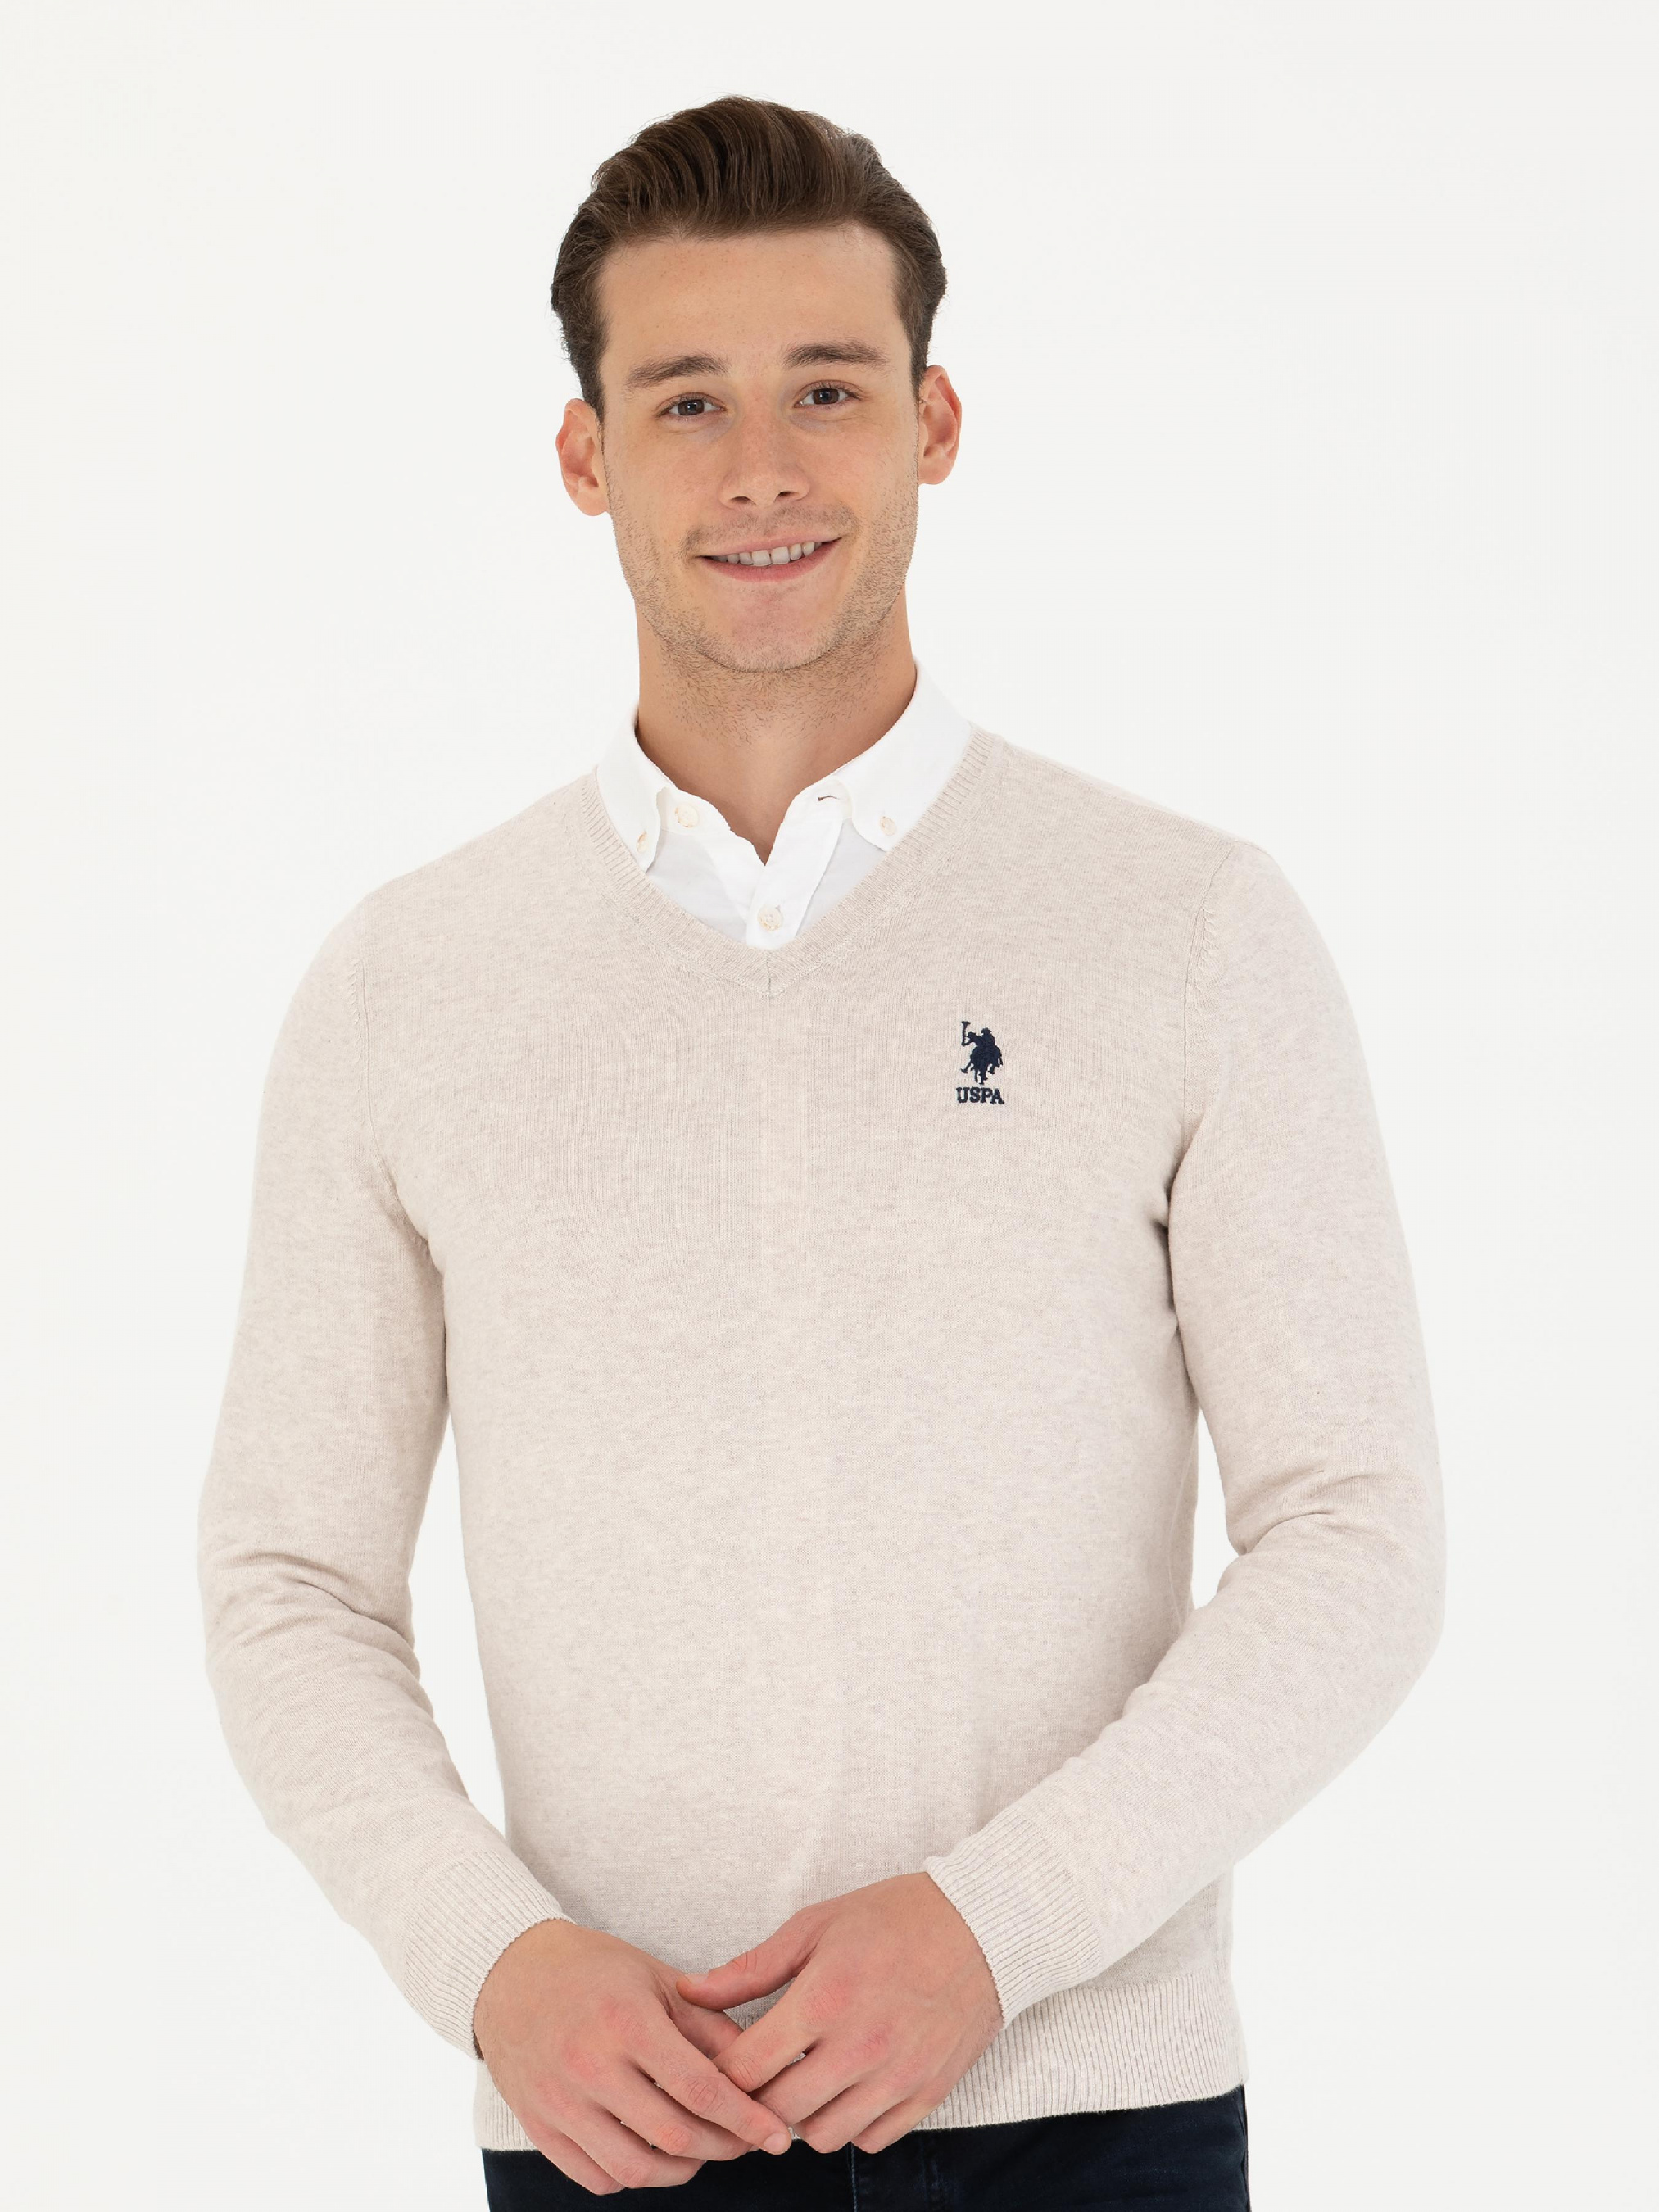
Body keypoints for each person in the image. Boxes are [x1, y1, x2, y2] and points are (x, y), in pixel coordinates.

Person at [197, 94, 1445, 2210]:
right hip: (618, 2125)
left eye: (828, 389)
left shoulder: (1181, 926)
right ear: (586, 454)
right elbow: (289, 1581)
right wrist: (490, 1963)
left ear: (932, 422)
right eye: (686, 399)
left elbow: (1359, 1527)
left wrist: (995, 1926)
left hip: (1090, 2122)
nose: (760, 465)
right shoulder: (410, 983)